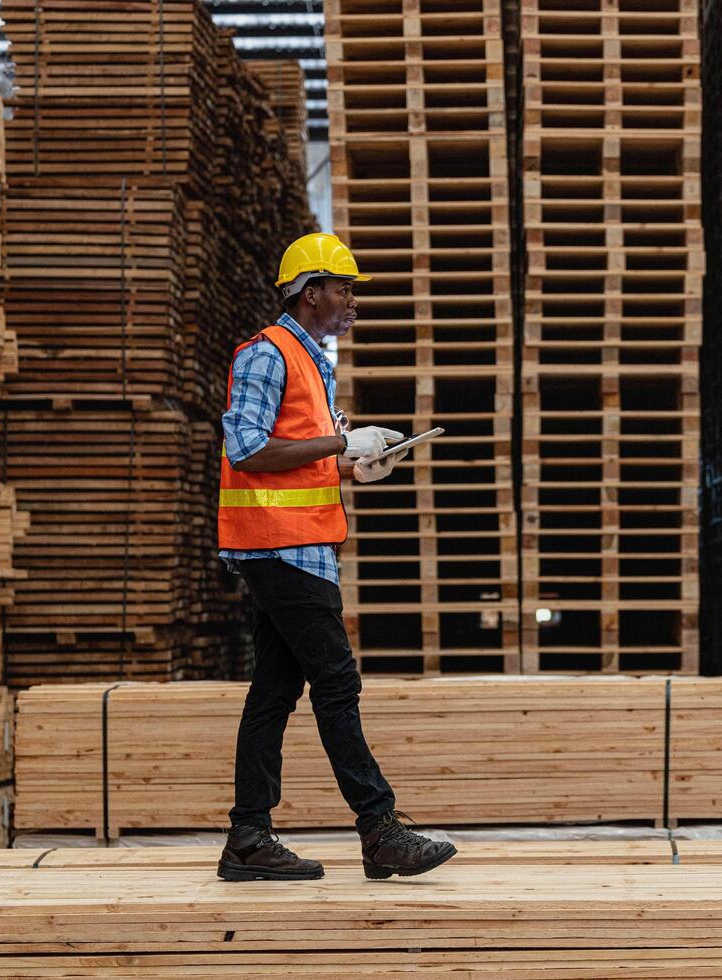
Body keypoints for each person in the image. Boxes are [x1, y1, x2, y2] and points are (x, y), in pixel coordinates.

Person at [214, 232, 458, 882]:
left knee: (274, 689)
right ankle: (380, 830)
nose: (351, 298)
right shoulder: (268, 355)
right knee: (337, 682)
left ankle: (247, 837)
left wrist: (355, 463)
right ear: (310, 291)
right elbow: (245, 448)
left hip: (300, 545)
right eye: (343, 287)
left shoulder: (312, 363)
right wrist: (339, 442)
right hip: (281, 545)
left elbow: (304, 455)